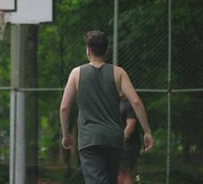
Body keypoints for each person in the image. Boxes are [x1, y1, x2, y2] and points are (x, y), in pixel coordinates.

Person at [59, 30, 154, 184]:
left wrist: (66, 134)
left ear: (88, 50)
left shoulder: (76, 73)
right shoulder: (118, 73)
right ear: (106, 50)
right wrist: (147, 131)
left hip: (90, 139)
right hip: (114, 139)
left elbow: (64, 107)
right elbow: (135, 101)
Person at [118, 97, 141, 184]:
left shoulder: (130, 103)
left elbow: (130, 127)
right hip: (118, 144)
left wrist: (119, 141)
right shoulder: (115, 101)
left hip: (129, 144)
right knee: (118, 174)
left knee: (124, 173)